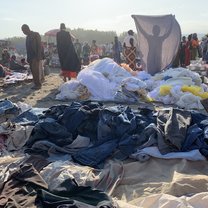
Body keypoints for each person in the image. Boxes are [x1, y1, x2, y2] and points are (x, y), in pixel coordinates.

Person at [21, 24, 42, 90]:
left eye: (23, 31)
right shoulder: (27, 37)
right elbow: (27, 48)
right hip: (30, 56)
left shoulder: (36, 34)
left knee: (36, 71)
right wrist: (27, 57)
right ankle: (36, 84)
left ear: (27, 29)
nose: (23, 32)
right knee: (33, 71)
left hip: (35, 56)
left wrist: (39, 56)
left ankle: (38, 84)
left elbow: (39, 46)